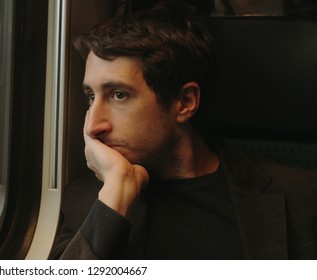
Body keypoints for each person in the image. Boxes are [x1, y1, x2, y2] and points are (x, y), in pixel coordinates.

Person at [49, 8, 317, 260]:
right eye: (90, 97)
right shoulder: (88, 202)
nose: (93, 125)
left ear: (185, 102)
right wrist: (118, 191)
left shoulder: (302, 197)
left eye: (119, 95)